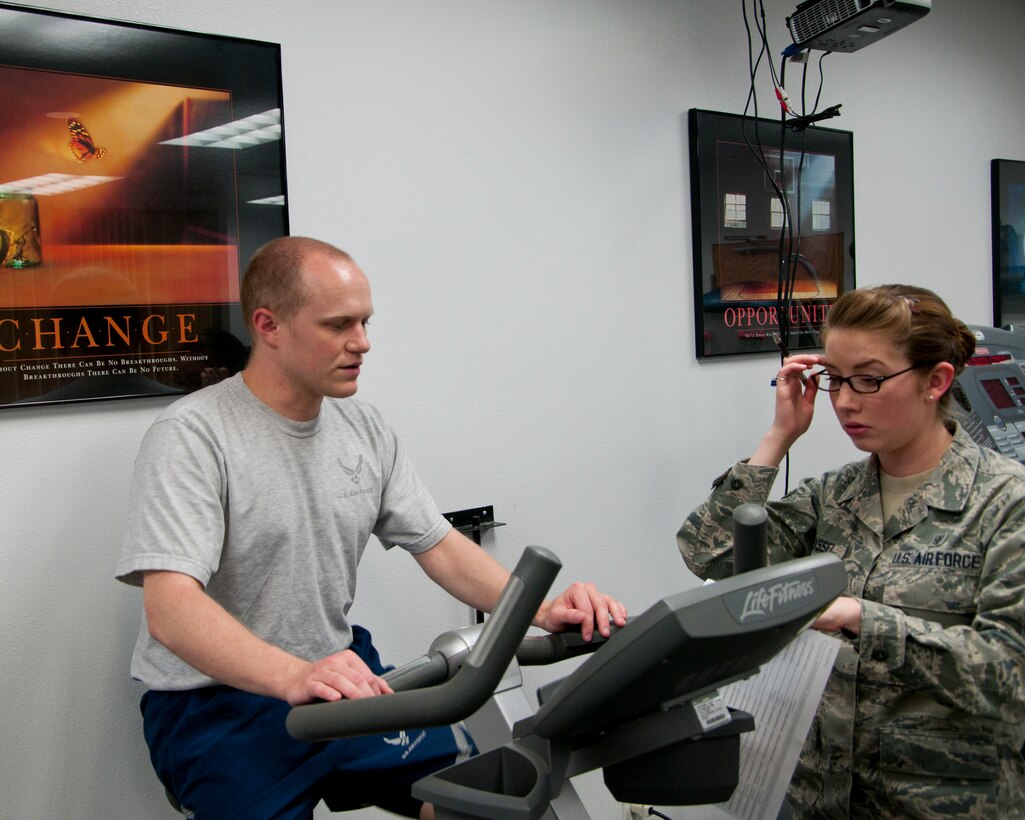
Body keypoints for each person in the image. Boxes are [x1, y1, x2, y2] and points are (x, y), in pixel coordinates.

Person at [116, 236, 627, 820]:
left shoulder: (362, 427)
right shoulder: (192, 436)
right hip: (216, 704)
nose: (362, 343)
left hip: (340, 677)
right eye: (338, 325)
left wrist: (538, 610)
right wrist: (293, 675)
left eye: (364, 321)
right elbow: (172, 609)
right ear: (269, 326)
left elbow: (437, 544)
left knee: (481, 803)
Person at [677, 284, 1025, 818]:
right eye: (835, 379)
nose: (843, 401)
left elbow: (1010, 677)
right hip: (823, 800)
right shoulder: (835, 496)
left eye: (868, 379)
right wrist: (778, 437)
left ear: (936, 381)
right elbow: (711, 555)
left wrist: (863, 619)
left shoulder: (1005, 503)